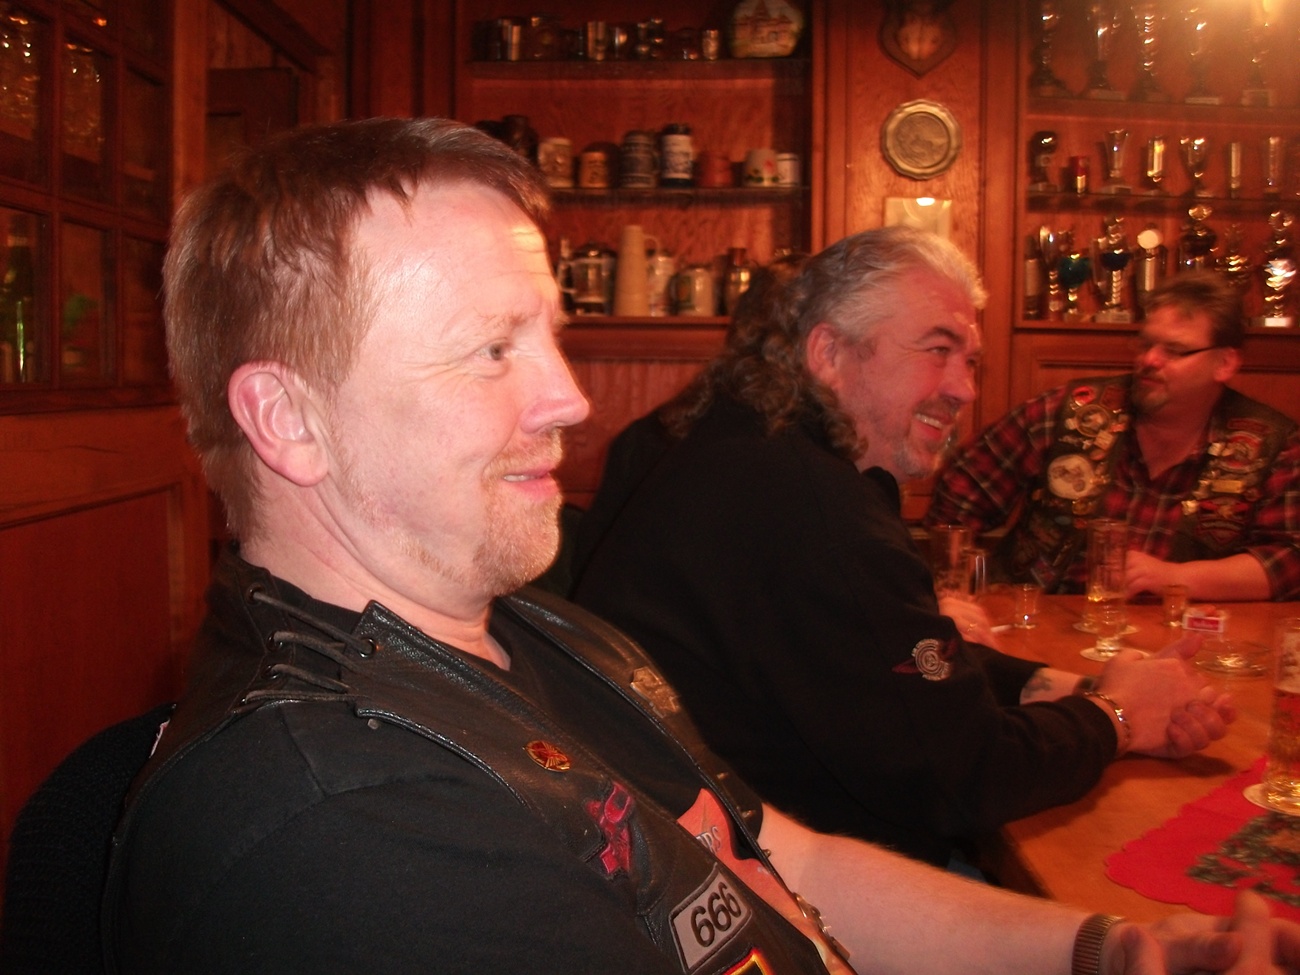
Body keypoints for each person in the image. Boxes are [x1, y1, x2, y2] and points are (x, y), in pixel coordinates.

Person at [101, 118, 1287, 975]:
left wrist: (1118, 949)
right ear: (287, 420)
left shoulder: (540, 634)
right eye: (491, 349)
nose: (570, 398)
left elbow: (791, 863)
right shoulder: (351, 829)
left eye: (550, 338)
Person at [571, 226, 1234, 868]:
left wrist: (1068, 684)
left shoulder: (729, 443)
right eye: (937, 349)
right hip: (776, 891)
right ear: (828, 353)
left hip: (678, 846)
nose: (965, 388)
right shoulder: (815, 509)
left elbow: (885, 658)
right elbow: (968, 777)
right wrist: (1118, 716)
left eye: (969, 361)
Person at [926, 271, 1300, 601]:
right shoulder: (1072, 411)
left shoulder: (1271, 444)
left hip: (1185, 637)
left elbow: (1291, 559)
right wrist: (962, 591)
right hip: (1041, 623)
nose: (1150, 360)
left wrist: (1174, 578)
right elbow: (961, 490)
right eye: (1146, 344)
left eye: (1174, 351)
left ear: (1225, 363)